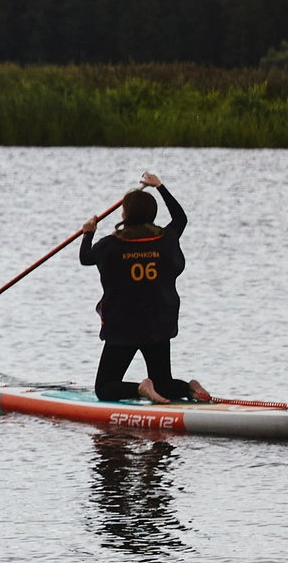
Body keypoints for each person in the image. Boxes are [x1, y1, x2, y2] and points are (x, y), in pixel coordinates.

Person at [80, 173, 214, 405]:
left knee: (104, 387)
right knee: (164, 383)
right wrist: (159, 186)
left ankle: (141, 388)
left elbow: (85, 258)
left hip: (124, 327)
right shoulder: (166, 238)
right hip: (158, 323)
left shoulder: (111, 245)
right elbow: (181, 218)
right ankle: (189, 388)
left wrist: (88, 233)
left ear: (126, 214)